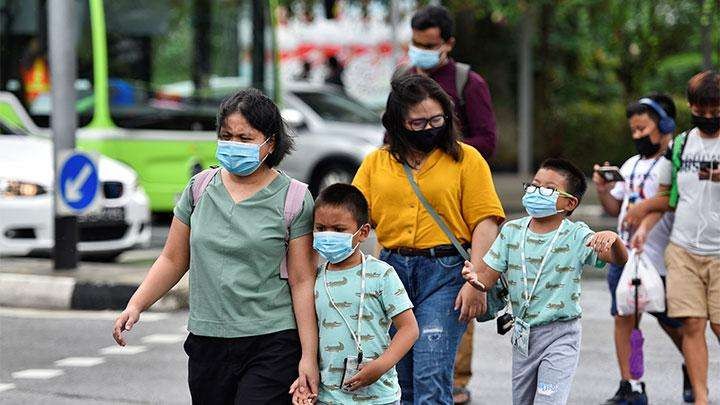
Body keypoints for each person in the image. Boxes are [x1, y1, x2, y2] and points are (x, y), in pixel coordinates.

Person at [111, 88, 319, 404]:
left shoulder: (293, 198)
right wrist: (136, 304)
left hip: (272, 341)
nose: (233, 145)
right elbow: (172, 259)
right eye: (227, 136)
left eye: (245, 138)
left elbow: (303, 281)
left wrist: (308, 356)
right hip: (208, 342)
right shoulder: (199, 189)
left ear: (270, 143)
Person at [353, 74, 505, 404]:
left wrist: (477, 281)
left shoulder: (466, 159)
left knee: (431, 372)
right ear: (397, 123)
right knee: (399, 380)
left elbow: (486, 222)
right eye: (417, 122)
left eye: (437, 120)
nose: (428, 129)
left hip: (447, 274)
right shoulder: (376, 162)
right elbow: (352, 221)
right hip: (391, 274)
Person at [463, 158, 629, 405]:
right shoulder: (511, 231)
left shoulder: (576, 234)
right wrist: (475, 279)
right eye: (534, 185)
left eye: (549, 189)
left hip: (561, 334)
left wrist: (614, 240)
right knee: (523, 401)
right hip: (524, 334)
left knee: (548, 401)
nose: (537, 192)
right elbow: (488, 278)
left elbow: (618, 259)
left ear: (570, 203)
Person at [627, 70, 720, 405]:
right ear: (691, 106)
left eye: (715, 112)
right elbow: (668, 196)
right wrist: (643, 226)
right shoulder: (680, 145)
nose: (708, 118)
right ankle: (700, 398)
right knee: (692, 325)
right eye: (701, 111)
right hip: (683, 249)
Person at [592, 94, 690, 404]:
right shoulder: (631, 164)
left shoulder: (674, 164)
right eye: (633, 130)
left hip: (661, 258)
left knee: (673, 323)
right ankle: (631, 382)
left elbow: (672, 199)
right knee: (625, 319)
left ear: (665, 125)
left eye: (643, 128)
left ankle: (692, 364)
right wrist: (603, 190)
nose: (637, 136)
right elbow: (614, 208)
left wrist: (643, 210)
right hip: (625, 256)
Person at [291, 183, 419, 405]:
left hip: (379, 398)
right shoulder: (313, 279)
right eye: (320, 228)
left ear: (363, 232)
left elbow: (409, 329)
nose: (328, 235)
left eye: (339, 230)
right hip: (327, 398)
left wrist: (380, 366)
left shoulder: (381, 274)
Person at [397, 5, 497, 161]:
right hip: (409, 178)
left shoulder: (469, 83)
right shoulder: (402, 78)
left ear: (449, 44)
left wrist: (441, 147)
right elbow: (389, 135)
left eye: (429, 46)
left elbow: (487, 143)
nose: (420, 50)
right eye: (415, 44)